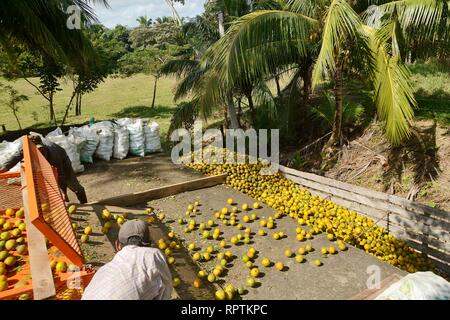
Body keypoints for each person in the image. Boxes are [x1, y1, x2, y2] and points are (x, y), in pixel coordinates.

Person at [82, 220, 173, 300]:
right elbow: (166, 294)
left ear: (117, 245)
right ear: (149, 244)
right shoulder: (153, 255)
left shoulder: (102, 270)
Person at [4, 134, 88, 204]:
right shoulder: (25, 148)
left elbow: (60, 175)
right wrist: (4, 168)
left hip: (62, 161)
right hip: (43, 164)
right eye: (36, 150)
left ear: (42, 146)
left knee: (73, 184)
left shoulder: (54, 154)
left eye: (40, 149)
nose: (39, 152)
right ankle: (62, 203)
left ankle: (84, 203)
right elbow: (14, 158)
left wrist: (63, 192)